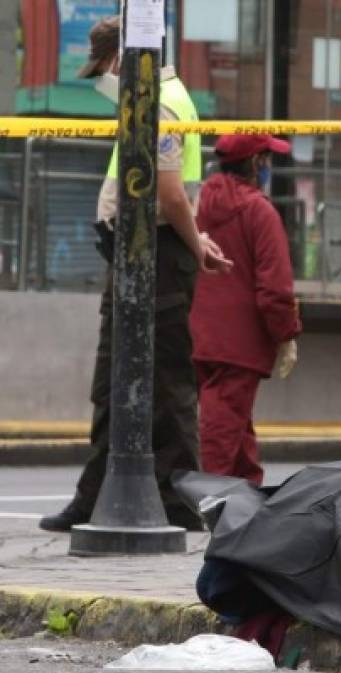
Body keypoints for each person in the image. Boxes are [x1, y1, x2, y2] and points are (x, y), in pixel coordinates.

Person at [39, 16, 233, 533]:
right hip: (142, 252)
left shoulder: (161, 102)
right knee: (115, 381)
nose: (100, 79)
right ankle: (97, 495)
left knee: (163, 382)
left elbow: (169, 194)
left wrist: (195, 245)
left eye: (101, 68)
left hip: (157, 256)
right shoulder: (150, 99)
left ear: (120, 61)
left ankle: (178, 502)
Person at [189, 134, 301, 485]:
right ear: (256, 164)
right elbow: (275, 288)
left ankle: (248, 498)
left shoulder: (200, 200)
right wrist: (286, 334)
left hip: (200, 335)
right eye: (267, 158)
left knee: (234, 426)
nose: (269, 166)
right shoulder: (260, 211)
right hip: (240, 344)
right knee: (222, 432)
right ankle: (214, 504)